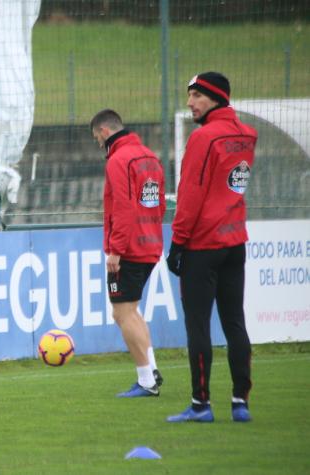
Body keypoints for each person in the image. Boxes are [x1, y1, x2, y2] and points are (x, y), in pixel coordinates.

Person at [166, 72, 257, 423]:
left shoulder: (204, 137)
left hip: (203, 245)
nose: (190, 103)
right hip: (235, 242)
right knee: (235, 322)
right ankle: (240, 402)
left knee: (199, 326)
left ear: (216, 98)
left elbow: (191, 194)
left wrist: (177, 243)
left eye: (196, 96)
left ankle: (201, 405)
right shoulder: (246, 134)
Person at [90, 109, 165, 398]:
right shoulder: (149, 156)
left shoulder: (118, 160)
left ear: (105, 132)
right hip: (150, 243)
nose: (98, 143)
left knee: (122, 312)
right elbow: (157, 204)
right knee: (130, 310)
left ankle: (146, 380)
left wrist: (115, 250)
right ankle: (152, 371)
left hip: (129, 247)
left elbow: (122, 207)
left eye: (97, 137)